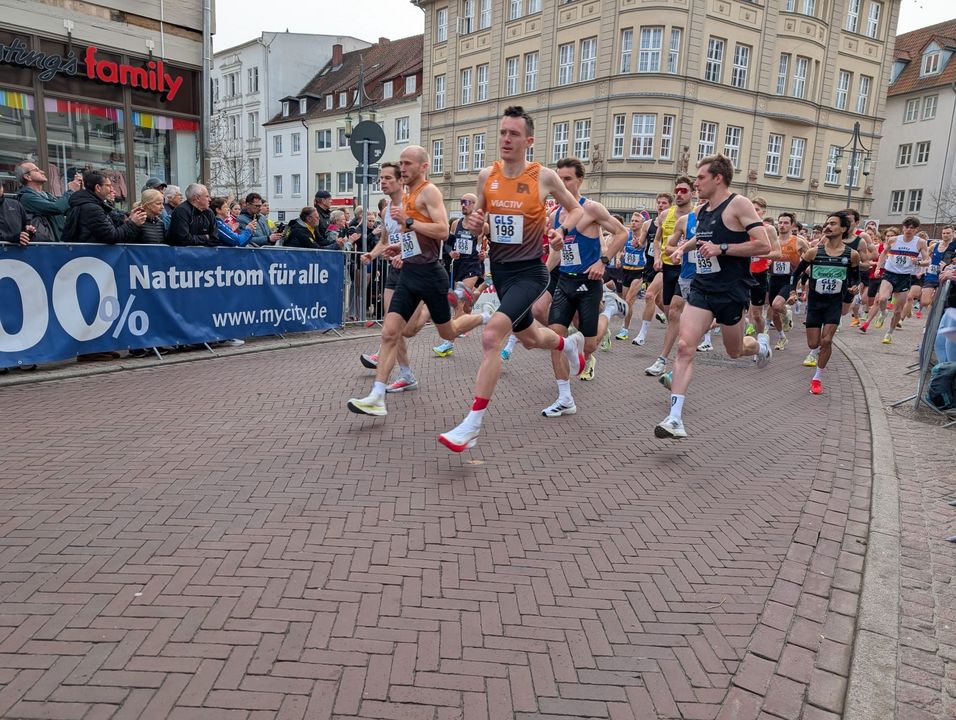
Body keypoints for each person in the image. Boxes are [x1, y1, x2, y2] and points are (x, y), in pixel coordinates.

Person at [437, 106, 587, 451]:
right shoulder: (486, 175)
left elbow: (575, 208)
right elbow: (482, 223)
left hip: (531, 273)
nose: (506, 139)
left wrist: (561, 230)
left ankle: (472, 424)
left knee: (491, 337)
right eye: (503, 132)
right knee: (533, 338)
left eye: (514, 133)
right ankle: (569, 344)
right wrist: (477, 226)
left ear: (528, 140)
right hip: (500, 272)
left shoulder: (543, 177)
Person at [347, 146, 489, 418]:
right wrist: (398, 250)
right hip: (409, 274)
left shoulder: (429, 192)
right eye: (400, 163)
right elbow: (414, 240)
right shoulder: (408, 196)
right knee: (390, 332)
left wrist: (409, 221)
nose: (403, 168)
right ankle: (377, 396)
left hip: (430, 276)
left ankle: (482, 317)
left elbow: (442, 231)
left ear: (423, 167)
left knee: (447, 333)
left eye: (408, 163)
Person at [654, 154, 772, 440]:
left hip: (731, 290)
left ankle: (759, 347)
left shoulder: (739, 204)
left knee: (735, 351)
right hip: (703, 287)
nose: (696, 183)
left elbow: (763, 245)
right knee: (685, 347)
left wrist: (722, 248)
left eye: (701, 177)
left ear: (718, 178)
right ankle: (674, 419)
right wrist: (685, 248)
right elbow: (703, 236)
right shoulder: (703, 209)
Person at [540, 157, 627, 413]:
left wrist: (604, 261)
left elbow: (622, 233)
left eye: (568, 178)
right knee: (556, 340)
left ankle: (609, 311)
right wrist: (543, 275)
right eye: (559, 178)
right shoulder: (556, 214)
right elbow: (559, 252)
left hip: (589, 283)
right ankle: (565, 398)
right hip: (564, 282)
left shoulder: (591, 209)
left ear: (580, 180)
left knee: (588, 346)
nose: (563, 183)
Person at [358, 162, 422, 391]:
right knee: (391, 327)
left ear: (400, 181)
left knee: (408, 330)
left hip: (414, 269)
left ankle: (432, 304)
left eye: (387, 178)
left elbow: (423, 240)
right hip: (395, 272)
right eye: (380, 178)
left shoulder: (411, 207)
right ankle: (407, 375)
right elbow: (384, 242)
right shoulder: (385, 212)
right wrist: (371, 255)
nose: (382, 182)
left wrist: (404, 255)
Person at [788, 212, 861, 395]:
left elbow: (855, 278)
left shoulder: (851, 255)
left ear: (843, 229)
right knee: (814, 344)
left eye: (833, 224)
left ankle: (817, 378)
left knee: (827, 340)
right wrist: (793, 291)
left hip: (834, 303)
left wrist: (853, 287)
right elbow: (796, 274)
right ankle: (817, 352)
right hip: (815, 302)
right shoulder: (814, 252)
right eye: (827, 223)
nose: (828, 226)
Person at [644, 176, 695, 378]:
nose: (680, 194)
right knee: (670, 312)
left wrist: (683, 251)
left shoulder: (698, 215)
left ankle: (663, 360)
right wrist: (658, 256)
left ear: (693, 193)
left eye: (684, 190)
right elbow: (658, 241)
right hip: (668, 267)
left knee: (674, 313)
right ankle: (686, 345)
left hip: (691, 270)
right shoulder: (666, 215)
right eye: (677, 191)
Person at [433, 192, 489, 358]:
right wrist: (451, 253)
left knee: (458, 302)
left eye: (466, 202)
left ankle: (448, 343)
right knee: (463, 305)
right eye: (461, 201)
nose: (463, 205)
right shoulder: (456, 224)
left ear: (474, 204)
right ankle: (471, 311)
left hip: (473, 265)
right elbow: (449, 245)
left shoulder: (482, 226)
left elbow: (490, 243)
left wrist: (484, 253)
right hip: (458, 265)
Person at [858, 216, 929, 343]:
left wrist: (918, 263)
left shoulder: (920, 243)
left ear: (916, 229)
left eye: (912, 228)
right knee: (882, 298)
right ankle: (884, 312)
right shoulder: (894, 240)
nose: (909, 230)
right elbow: (884, 254)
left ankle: (889, 332)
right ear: (903, 227)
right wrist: (879, 268)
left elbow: (927, 261)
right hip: (890, 273)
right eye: (907, 227)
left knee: (897, 311)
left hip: (905, 277)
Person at [61, 170, 146, 244]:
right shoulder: (92, 208)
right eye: (108, 186)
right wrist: (133, 223)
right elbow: (111, 236)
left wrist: (128, 218)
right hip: (92, 258)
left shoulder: (91, 204)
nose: (112, 189)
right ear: (98, 187)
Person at [632, 193, 671, 346]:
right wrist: (637, 243)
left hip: (664, 265)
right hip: (650, 266)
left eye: (664, 203)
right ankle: (676, 322)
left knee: (649, 295)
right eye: (659, 203)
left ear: (670, 206)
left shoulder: (673, 222)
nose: (661, 205)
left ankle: (642, 334)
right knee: (660, 301)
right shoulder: (648, 224)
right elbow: (642, 243)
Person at [768, 212, 808, 350]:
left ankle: (787, 313)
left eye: (786, 223)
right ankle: (781, 337)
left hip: (789, 279)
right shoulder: (772, 241)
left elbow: (810, 257)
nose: (782, 225)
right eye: (780, 222)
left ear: (792, 225)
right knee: (774, 310)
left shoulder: (799, 241)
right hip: (773, 278)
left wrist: (806, 271)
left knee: (777, 305)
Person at [14, 161, 82, 241]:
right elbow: (57, 208)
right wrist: (71, 190)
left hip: (60, 243)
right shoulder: (26, 197)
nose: (42, 172)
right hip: (47, 246)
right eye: (36, 170)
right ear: (27, 177)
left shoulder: (48, 195)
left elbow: (67, 209)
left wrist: (80, 190)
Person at [614, 212, 648, 341]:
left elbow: (644, 246)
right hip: (626, 270)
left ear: (642, 223)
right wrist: (618, 258)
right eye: (632, 220)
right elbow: (619, 248)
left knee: (629, 300)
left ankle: (624, 329)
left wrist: (638, 244)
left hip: (639, 271)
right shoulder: (627, 234)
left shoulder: (644, 236)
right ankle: (626, 326)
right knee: (626, 301)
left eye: (636, 221)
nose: (633, 222)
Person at [921, 225, 956, 313]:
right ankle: (932, 317)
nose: (945, 235)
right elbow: (925, 258)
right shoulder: (934, 246)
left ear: (953, 234)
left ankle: (931, 322)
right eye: (943, 233)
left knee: (936, 302)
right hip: (931, 275)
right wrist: (922, 265)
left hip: (943, 276)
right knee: (925, 301)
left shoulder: (954, 248)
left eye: (948, 233)